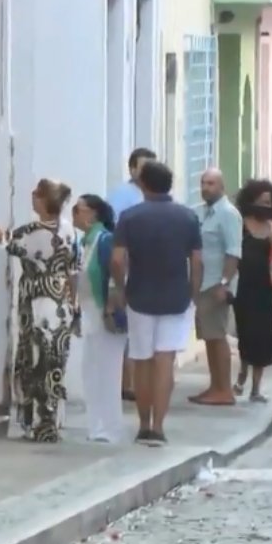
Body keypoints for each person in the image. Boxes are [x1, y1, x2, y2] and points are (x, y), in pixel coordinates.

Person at [110, 160, 202, 447]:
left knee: (141, 361)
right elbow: (197, 260)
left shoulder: (129, 217)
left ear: (144, 184)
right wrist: (193, 292)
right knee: (165, 360)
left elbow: (116, 258)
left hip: (139, 294)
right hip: (176, 295)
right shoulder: (187, 217)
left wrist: (120, 287)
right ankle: (159, 427)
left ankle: (143, 424)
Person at [0, 179, 78, 442]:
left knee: (35, 360)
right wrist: (74, 304)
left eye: (36, 193)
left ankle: (39, 423)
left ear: (44, 200)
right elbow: (74, 270)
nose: (32, 196)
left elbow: (4, 240)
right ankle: (52, 421)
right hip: (60, 302)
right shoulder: (69, 231)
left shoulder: (33, 232)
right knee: (55, 362)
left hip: (37, 302)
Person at [74, 194, 127, 443]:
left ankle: (109, 426)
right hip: (89, 311)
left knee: (108, 370)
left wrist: (111, 305)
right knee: (91, 370)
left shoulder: (104, 240)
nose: (74, 214)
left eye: (78, 209)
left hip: (104, 312)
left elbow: (115, 276)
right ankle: (96, 425)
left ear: (92, 214)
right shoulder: (84, 243)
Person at [190, 168, 242, 406]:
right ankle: (215, 386)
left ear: (221, 186)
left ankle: (224, 389)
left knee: (218, 336)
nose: (205, 187)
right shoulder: (200, 213)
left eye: (210, 183)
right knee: (209, 338)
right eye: (203, 183)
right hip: (201, 285)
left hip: (216, 285)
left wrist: (224, 283)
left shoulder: (228, 214)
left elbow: (233, 252)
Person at [108, 147, 156, 402]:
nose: (146, 171)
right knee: (129, 329)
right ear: (132, 168)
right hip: (129, 268)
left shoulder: (153, 194)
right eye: (143, 166)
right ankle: (128, 384)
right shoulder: (123, 195)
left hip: (147, 270)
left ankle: (138, 382)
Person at [232, 179, 272, 402]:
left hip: (263, 288)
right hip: (243, 287)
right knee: (246, 334)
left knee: (263, 337)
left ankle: (256, 388)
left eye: (269, 202)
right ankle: (242, 375)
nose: (265, 205)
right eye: (261, 201)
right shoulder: (239, 224)